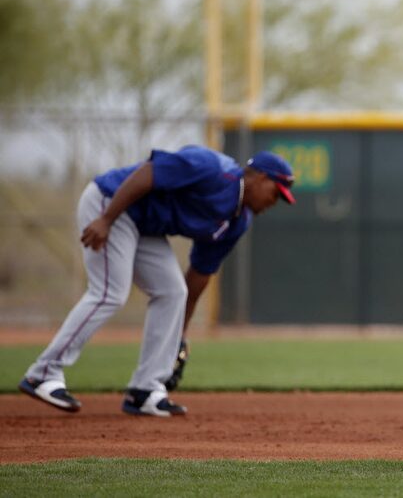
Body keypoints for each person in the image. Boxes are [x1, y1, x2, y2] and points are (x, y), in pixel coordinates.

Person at [18, 145, 295, 417]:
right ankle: (43, 373)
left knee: (173, 292)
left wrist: (179, 337)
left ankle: (145, 390)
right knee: (109, 293)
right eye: (276, 193)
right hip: (110, 203)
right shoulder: (211, 168)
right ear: (260, 177)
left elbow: (199, 274)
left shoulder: (238, 220)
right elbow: (148, 173)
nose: (274, 202)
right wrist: (106, 219)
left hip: (144, 227)